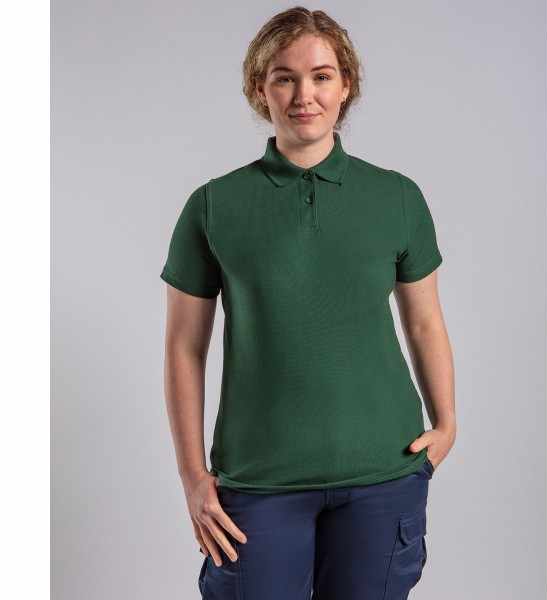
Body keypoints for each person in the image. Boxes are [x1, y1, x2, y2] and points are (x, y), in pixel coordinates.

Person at [160, 6, 456, 599]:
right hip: (258, 482)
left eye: (322, 76)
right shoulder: (214, 205)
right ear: (259, 89)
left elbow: (424, 323)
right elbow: (184, 346)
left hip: (383, 473)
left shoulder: (396, 197)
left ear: (346, 86)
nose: (304, 95)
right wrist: (193, 476)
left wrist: (446, 424)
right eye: (284, 77)